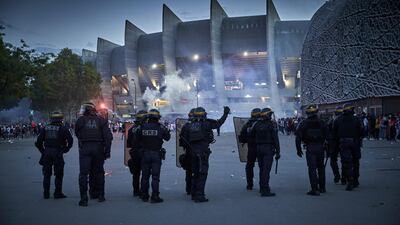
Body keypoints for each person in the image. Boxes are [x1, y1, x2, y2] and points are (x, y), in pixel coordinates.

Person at [180, 106, 230, 202]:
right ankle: (199, 195)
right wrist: (225, 114)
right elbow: (218, 123)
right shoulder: (206, 124)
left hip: (191, 153)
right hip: (202, 152)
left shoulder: (187, 126)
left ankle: (194, 193)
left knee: (195, 173)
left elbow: (182, 140)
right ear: (203, 115)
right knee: (202, 173)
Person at [75, 102, 113, 206]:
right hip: (98, 148)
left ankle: (84, 198)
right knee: (99, 172)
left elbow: (77, 133)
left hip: (85, 148)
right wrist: (107, 151)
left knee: (83, 174)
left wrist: (83, 141)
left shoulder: (80, 120)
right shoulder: (101, 120)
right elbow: (108, 137)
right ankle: (101, 195)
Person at [35, 111, 73, 199]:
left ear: (51, 119)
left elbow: (38, 142)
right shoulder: (63, 129)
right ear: (61, 119)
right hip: (58, 152)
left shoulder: (45, 128)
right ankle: (57, 193)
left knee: (47, 174)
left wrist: (43, 151)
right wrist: (65, 149)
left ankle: (46, 193)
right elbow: (70, 141)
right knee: (59, 174)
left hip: (47, 152)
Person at [136, 109, 170, 203]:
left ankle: (144, 195)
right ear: (157, 118)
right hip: (156, 154)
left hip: (145, 154)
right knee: (155, 177)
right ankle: (155, 197)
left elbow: (136, 138)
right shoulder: (160, 127)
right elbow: (167, 138)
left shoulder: (142, 127)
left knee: (145, 176)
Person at [295, 105, 328, 196]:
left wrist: (298, 149)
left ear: (307, 113)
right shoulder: (322, 122)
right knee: (321, 168)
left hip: (310, 148)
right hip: (320, 147)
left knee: (312, 168)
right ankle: (322, 187)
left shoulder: (303, 123)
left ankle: (315, 189)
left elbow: (298, 137)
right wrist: (328, 148)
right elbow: (328, 136)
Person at [249, 107, 280, 197]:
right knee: (266, 170)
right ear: (267, 115)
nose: (271, 116)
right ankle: (265, 189)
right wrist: (278, 152)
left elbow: (251, 136)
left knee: (262, 169)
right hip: (268, 149)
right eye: (270, 114)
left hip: (258, 148)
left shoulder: (256, 124)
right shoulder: (272, 124)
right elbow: (276, 139)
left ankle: (262, 187)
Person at [333, 103, 363, 191]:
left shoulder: (338, 120)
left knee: (347, 162)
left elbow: (334, 133)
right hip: (355, 142)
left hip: (343, 142)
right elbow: (362, 132)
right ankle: (356, 180)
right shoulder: (356, 119)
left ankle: (349, 181)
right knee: (356, 161)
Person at [238, 108, 261, 190]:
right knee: (262, 166)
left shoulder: (248, 124)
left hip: (251, 148)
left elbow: (241, 137)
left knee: (249, 166)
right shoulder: (262, 123)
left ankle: (249, 185)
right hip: (260, 147)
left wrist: (246, 140)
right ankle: (263, 185)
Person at [126, 110, 147, 197]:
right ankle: (143, 191)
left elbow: (129, 144)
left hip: (134, 153)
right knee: (145, 174)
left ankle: (136, 191)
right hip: (144, 153)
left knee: (136, 174)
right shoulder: (146, 128)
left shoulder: (131, 129)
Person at [179, 108, 196, 195]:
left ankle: (188, 189)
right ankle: (196, 191)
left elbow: (181, 141)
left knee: (189, 172)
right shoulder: (201, 125)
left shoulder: (186, 126)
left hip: (189, 152)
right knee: (197, 172)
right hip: (198, 153)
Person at [327, 106, 346, 184]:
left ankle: (337, 175)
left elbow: (329, 131)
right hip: (343, 142)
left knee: (333, 160)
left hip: (334, 142)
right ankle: (344, 177)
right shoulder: (346, 120)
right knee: (344, 160)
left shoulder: (333, 121)